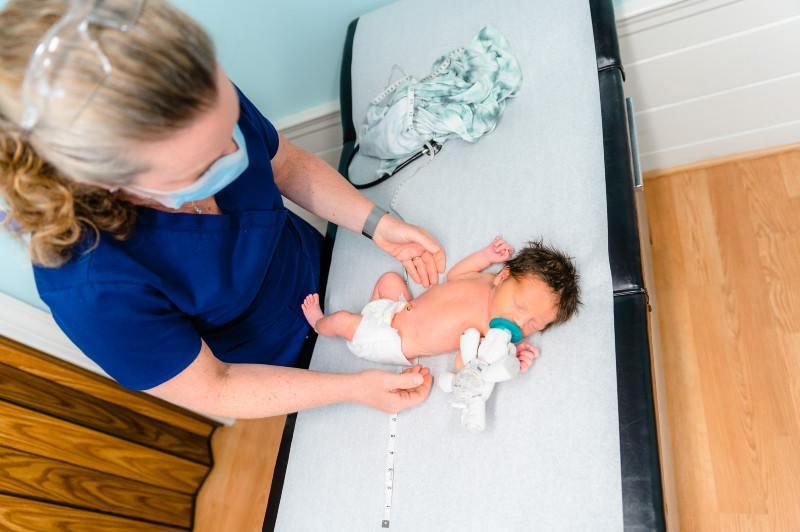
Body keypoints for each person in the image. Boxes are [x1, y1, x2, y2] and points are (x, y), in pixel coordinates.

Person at [0, 0, 444, 417]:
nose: (236, 151)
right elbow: (217, 386)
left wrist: (375, 224)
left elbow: (285, 163)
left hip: (325, 263)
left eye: (229, 124)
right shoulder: (91, 288)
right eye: (206, 161)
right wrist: (353, 388)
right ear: (103, 181)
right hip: (279, 368)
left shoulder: (189, 90)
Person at [301, 237, 581, 371]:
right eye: (521, 308)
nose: (520, 323)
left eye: (533, 324)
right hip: (396, 310)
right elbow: (455, 275)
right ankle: (383, 312)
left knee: (343, 321)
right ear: (503, 276)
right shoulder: (485, 280)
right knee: (389, 279)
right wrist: (485, 255)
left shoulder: (491, 332)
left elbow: (465, 363)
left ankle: (319, 323)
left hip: (392, 340)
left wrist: (512, 354)